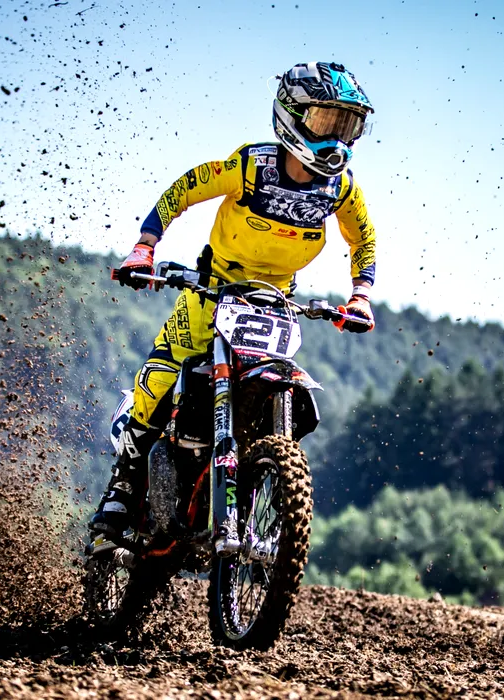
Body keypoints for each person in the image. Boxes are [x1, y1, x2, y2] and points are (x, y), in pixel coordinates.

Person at [90, 61, 378, 542]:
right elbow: (185, 189)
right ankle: (122, 486)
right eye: (326, 121)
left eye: (346, 126)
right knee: (160, 380)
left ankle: (260, 483)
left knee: (278, 391)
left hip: (273, 305)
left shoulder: (340, 188)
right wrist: (145, 247)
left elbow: (362, 237)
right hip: (212, 291)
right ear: (293, 116)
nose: (336, 139)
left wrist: (361, 295)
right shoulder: (251, 165)